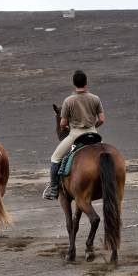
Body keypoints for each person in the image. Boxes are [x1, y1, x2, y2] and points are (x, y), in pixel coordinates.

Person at [43, 70, 105, 200]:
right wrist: (93, 126)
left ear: (73, 83)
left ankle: (54, 190)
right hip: (94, 134)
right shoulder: (95, 98)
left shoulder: (69, 100)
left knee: (55, 158)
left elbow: (63, 123)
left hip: (76, 134)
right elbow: (101, 119)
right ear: (86, 82)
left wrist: (64, 127)